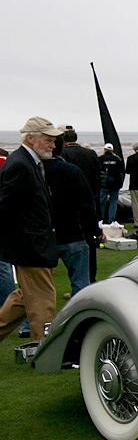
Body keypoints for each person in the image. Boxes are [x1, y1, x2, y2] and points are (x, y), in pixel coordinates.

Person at [0, 117, 62, 342]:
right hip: (29, 245)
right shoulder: (20, 164)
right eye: (48, 140)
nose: (53, 146)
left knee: (24, 298)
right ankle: (46, 350)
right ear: (30, 138)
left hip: (33, 243)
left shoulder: (28, 162)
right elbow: (5, 207)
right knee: (44, 300)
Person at [47, 134, 100, 300]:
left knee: (37, 286)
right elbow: (86, 204)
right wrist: (94, 230)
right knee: (81, 284)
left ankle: (27, 325)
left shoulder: (34, 170)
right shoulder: (71, 170)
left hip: (45, 232)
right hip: (71, 230)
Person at [58, 125, 102, 283]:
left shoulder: (64, 155)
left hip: (71, 205)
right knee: (90, 243)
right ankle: (91, 279)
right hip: (90, 199)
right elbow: (98, 173)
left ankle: (79, 283)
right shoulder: (90, 153)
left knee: (74, 246)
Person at [98, 142, 125, 224]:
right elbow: (122, 171)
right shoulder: (117, 159)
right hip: (115, 184)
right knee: (113, 202)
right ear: (112, 150)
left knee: (101, 201)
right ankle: (111, 220)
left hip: (104, 184)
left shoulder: (100, 158)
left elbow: (97, 170)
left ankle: (100, 219)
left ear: (105, 149)